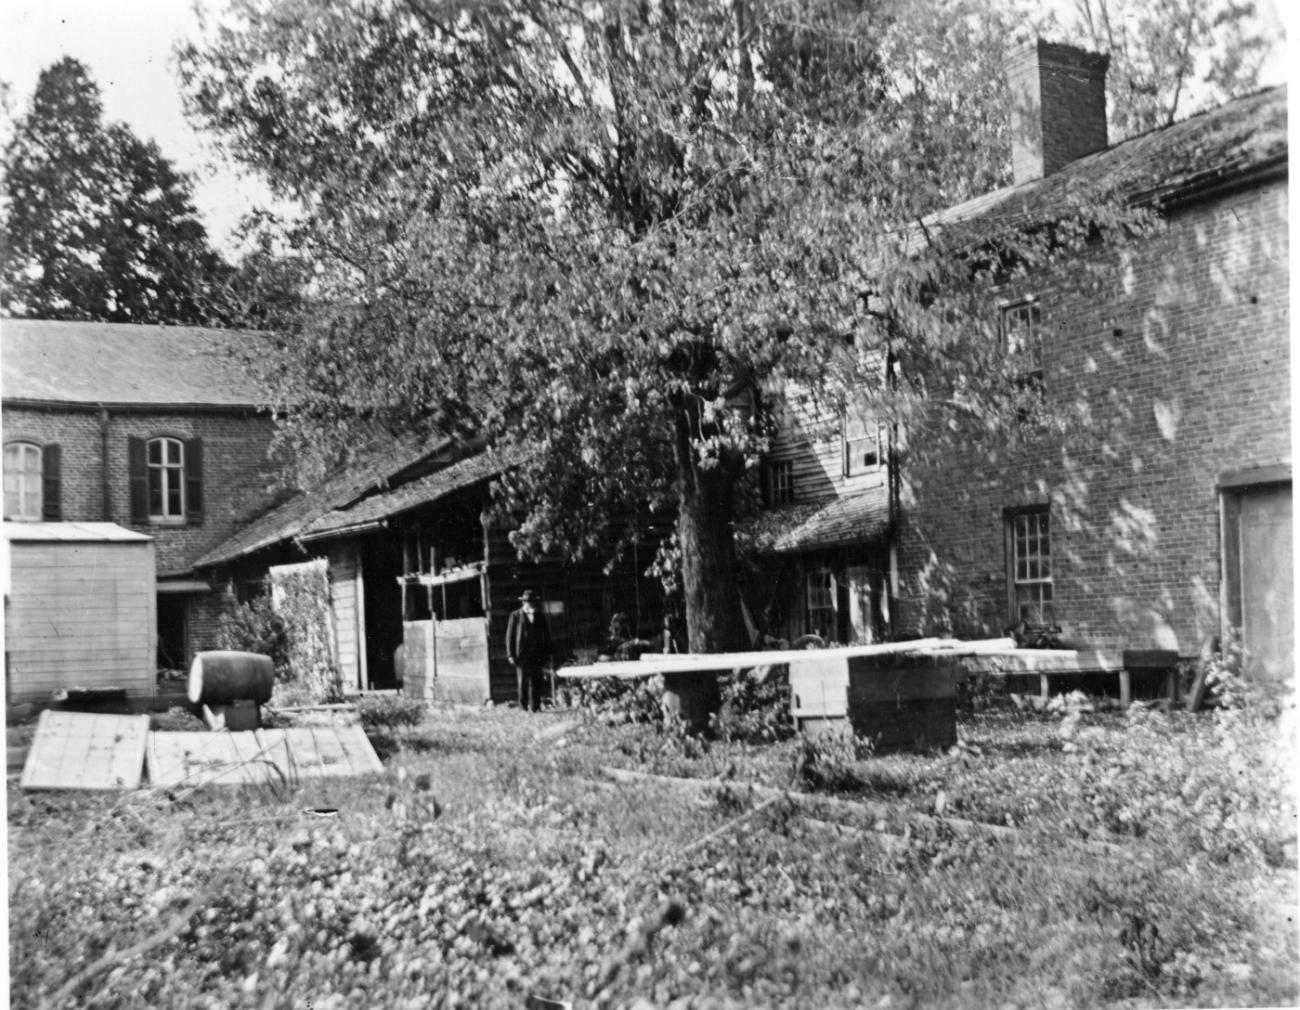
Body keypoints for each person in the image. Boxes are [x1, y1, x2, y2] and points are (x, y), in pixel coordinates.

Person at [505, 589, 552, 711]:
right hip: (521, 654)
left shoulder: (539, 615)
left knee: (536, 681)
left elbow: (546, 635)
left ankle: (535, 707)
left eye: (531, 602)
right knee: (522, 682)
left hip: (537, 654)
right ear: (523, 602)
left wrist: (547, 652)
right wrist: (510, 654)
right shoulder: (515, 615)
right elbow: (510, 636)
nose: (529, 604)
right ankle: (523, 707)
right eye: (527, 602)